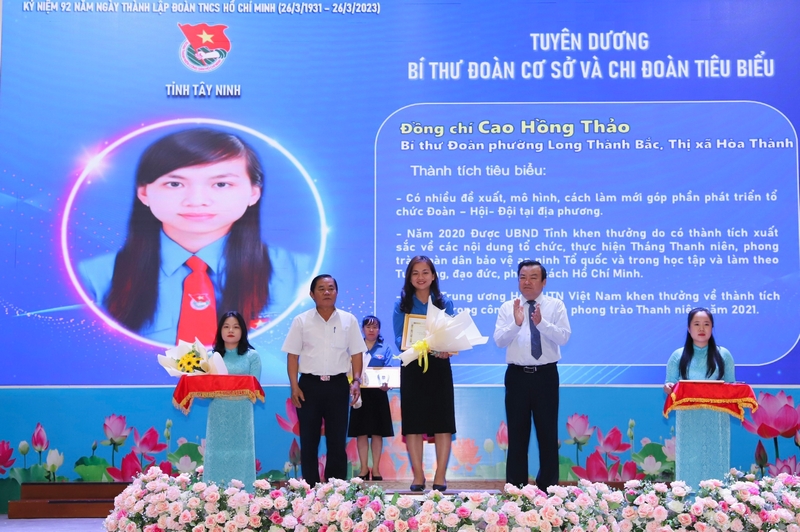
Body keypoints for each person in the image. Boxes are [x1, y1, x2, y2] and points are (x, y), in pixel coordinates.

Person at [78, 127, 308, 346]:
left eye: (221, 184)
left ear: (253, 193)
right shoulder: (94, 278)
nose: (197, 200)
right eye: (175, 183)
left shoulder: (300, 274)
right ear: (144, 193)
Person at [493, 260, 571, 491]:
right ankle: (516, 489)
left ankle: (548, 489)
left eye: (533, 277)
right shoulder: (508, 307)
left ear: (544, 282)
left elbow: (564, 337)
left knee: (548, 434)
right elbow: (499, 341)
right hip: (517, 376)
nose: (527, 282)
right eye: (522, 277)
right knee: (517, 435)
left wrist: (542, 324)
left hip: (546, 375)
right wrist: (516, 324)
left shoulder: (556, 306)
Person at [282, 274, 366, 486]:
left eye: (331, 288)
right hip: (309, 386)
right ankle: (309, 488)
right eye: (321, 288)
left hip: (338, 385)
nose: (327, 292)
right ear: (312, 294)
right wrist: (294, 386)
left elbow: (357, 353)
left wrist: (356, 380)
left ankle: (335, 489)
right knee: (309, 440)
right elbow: (292, 356)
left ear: (336, 292)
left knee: (337, 440)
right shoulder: (301, 321)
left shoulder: (349, 320)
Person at [392, 255, 455, 492]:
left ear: (433, 276)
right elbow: (399, 338)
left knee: (442, 422)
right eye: (415, 273)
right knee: (414, 423)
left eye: (425, 272)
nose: (420, 277)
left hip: (438, 366)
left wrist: (446, 346)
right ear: (409, 277)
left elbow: (450, 334)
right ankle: (418, 476)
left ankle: (440, 475)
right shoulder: (402, 305)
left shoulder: (444, 303)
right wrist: (416, 344)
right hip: (413, 366)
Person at [664, 307, 735, 488]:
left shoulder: (724, 355)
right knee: (689, 460)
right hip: (688, 419)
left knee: (716, 459)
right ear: (689, 329)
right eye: (696, 324)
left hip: (717, 419)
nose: (701, 328)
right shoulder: (678, 356)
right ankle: (686, 498)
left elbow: (731, 387)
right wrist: (668, 387)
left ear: (712, 328)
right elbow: (670, 384)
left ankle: (719, 497)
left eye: (706, 324)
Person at [203, 311, 262, 488]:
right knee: (216, 455)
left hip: (242, 412)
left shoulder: (252, 356)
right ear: (220, 330)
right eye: (226, 327)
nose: (231, 330)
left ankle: (244, 495)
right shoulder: (210, 356)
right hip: (218, 412)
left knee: (242, 456)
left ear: (242, 330)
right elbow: (207, 390)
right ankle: (214, 495)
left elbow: (254, 389)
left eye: (236, 327)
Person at [347, 315, 395, 481]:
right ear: (362, 329)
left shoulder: (385, 348)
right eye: (368, 327)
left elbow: (389, 371)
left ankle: (375, 469)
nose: (371, 330)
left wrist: (387, 383)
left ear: (379, 330)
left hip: (378, 395)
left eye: (375, 327)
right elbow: (349, 369)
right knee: (361, 433)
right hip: (359, 394)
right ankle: (363, 469)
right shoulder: (356, 348)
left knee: (377, 433)